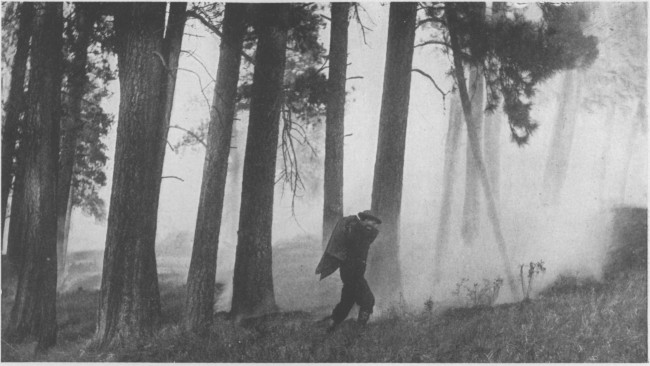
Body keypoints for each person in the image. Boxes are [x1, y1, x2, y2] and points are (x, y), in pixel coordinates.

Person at [315, 210, 382, 330]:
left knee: (346, 304)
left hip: (350, 273)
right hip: (353, 273)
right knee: (368, 300)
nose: (374, 225)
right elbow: (355, 244)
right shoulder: (357, 230)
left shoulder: (361, 231)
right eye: (372, 222)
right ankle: (358, 331)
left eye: (375, 223)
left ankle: (327, 327)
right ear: (365, 220)